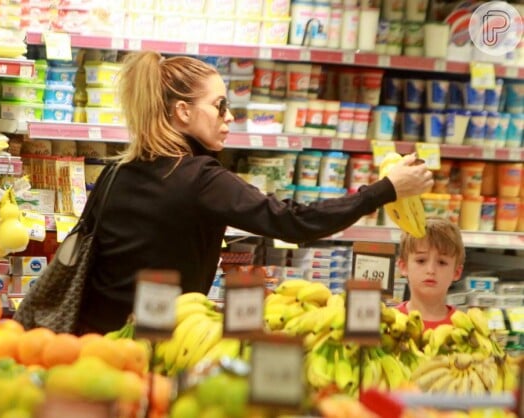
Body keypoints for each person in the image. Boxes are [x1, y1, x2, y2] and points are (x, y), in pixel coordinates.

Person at [78, 50, 434, 334]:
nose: (229, 116)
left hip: (91, 342)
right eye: (220, 106)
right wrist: (384, 191)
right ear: (183, 111)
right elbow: (293, 222)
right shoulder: (199, 178)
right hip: (158, 346)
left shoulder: (114, 172)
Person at [396, 217, 465, 329]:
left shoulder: (466, 328)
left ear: (456, 272)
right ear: (403, 267)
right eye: (421, 261)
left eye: (442, 262)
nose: (431, 270)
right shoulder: (388, 323)